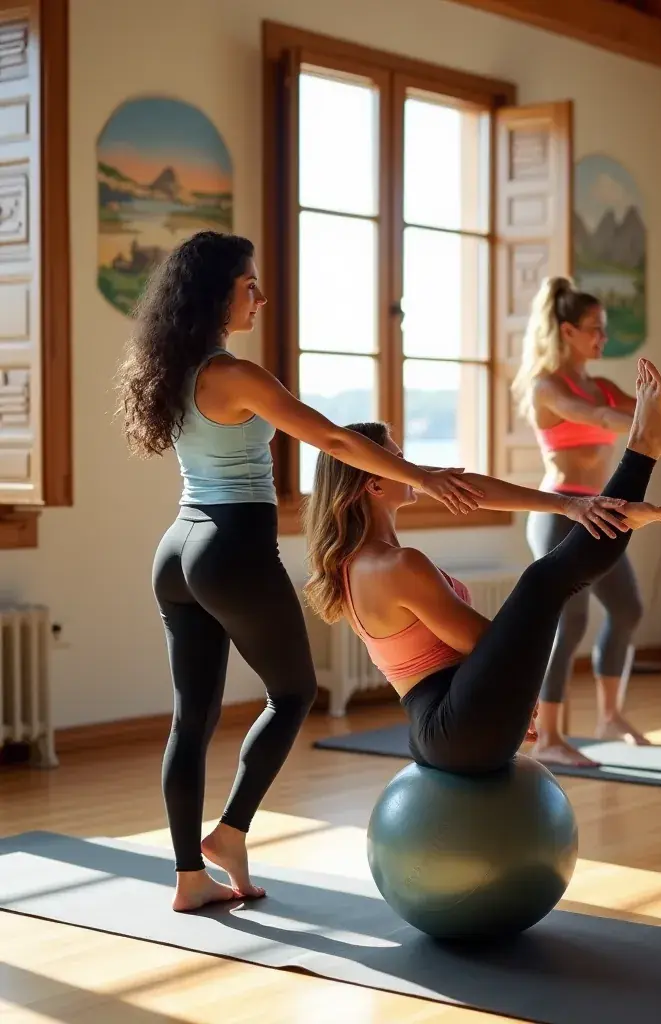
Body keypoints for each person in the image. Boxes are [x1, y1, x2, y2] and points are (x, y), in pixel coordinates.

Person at [115, 230, 484, 912]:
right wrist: (421, 475)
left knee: (190, 721)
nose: (258, 297)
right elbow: (337, 439)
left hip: (178, 547)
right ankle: (230, 831)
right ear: (216, 293)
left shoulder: (173, 369)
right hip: (231, 548)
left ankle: (190, 877)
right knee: (293, 693)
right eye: (248, 285)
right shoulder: (234, 374)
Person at [302, 359, 661, 777]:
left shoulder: (360, 560)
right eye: (400, 461)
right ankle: (642, 449)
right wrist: (519, 691)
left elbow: (467, 487)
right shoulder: (396, 564)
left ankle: (643, 452)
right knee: (542, 581)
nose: (413, 470)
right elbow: (481, 643)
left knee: (546, 581)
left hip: (446, 727)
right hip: (456, 728)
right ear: (376, 483)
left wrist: (568, 505)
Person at [510, 277, 661, 766]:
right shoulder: (547, 386)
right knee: (570, 621)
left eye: (604, 328)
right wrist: (652, 427)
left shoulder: (600, 384)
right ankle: (549, 736)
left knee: (627, 607)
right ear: (568, 331)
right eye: (595, 328)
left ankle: (610, 717)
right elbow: (599, 417)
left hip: (605, 508)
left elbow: (637, 410)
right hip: (561, 513)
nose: (603, 337)